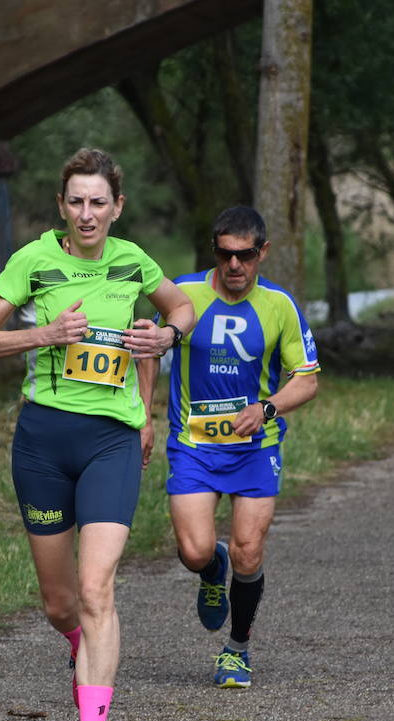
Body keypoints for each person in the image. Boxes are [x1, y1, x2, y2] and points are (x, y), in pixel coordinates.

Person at [0, 147, 195, 721]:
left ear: (116, 207)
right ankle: (79, 645)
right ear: (61, 206)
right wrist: (45, 335)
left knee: (97, 589)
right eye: (76, 201)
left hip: (110, 442)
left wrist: (166, 339)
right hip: (41, 442)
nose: (87, 214)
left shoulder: (133, 260)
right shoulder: (33, 263)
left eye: (99, 202)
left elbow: (182, 309)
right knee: (60, 602)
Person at [138, 206, 319, 688]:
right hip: (193, 446)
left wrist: (267, 408)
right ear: (214, 251)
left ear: (263, 252)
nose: (234, 265)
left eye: (245, 255)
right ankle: (209, 567)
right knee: (196, 551)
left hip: (256, 448)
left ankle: (237, 649)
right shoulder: (185, 294)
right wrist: (144, 416)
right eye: (225, 254)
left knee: (248, 551)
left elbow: (307, 378)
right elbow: (151, 349)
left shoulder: (280, 304)